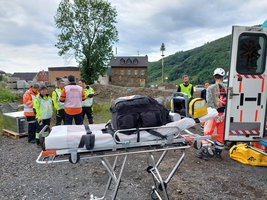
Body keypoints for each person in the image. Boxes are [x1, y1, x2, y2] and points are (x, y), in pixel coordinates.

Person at [196, 68, 227, 160]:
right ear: (223, 77)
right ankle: (218, 154)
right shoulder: (228, 88)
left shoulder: (210, 88)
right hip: (223, 114)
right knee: (220, 133)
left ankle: (205, 153)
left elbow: (209, 103)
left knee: (207, 132)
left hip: (213, 114)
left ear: (214, 76)